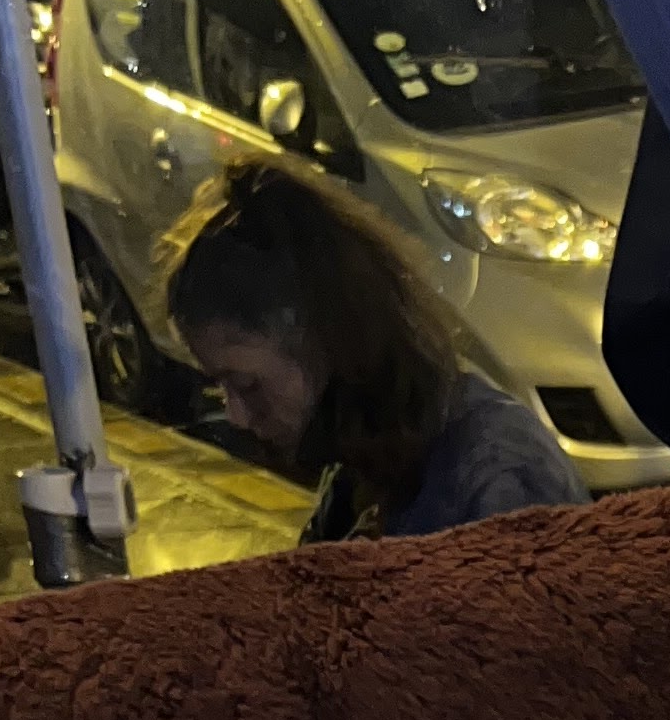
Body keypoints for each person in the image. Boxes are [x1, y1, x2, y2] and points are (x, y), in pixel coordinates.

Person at [162, 157, 587, 542]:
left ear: (324, 337)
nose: (236, 415)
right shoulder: (368, 458)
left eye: (247, 385)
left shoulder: (497, 481)